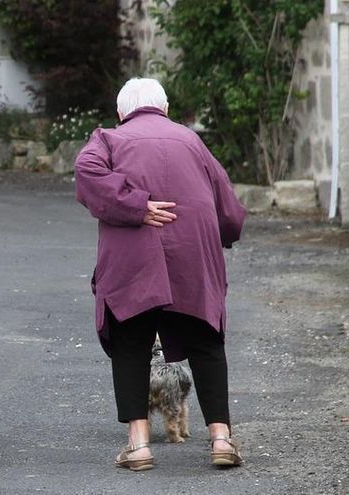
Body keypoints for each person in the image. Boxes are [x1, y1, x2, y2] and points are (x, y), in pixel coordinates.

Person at [75, 78, 247, 470]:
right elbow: (229, 206)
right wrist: (225, 233)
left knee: (132, 341)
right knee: (205, 341)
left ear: (122, 112)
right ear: (165, 108)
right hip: (193, 253)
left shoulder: (108, 139)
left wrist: (134, 205)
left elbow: (86, 172)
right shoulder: (191, 141)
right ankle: (221, 439)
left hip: (133, 256)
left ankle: (138, 445)